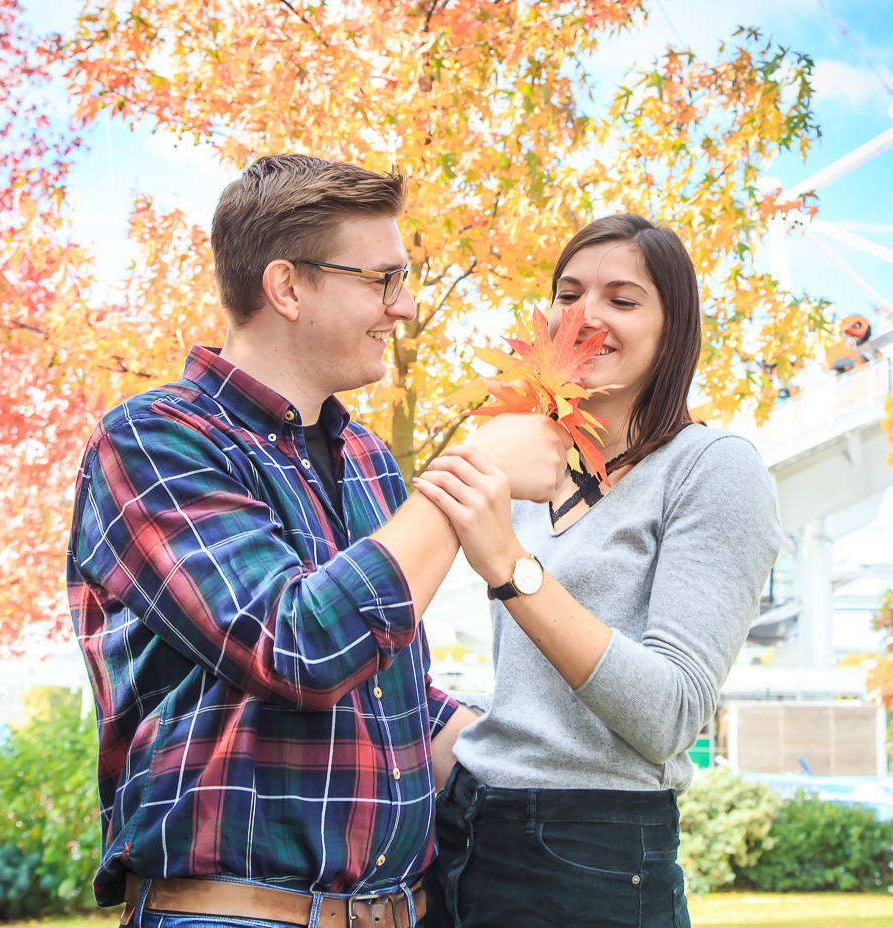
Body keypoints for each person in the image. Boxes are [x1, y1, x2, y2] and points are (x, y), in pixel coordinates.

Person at [67, 155, 567, 927]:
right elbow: (295, 646)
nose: (403, 307)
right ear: (288, 287)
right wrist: (476, 470)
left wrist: (555, 754)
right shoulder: (152, 441)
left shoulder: (368, 460)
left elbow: (392, 697)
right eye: (382, 279)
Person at [410, 214, 782, 928]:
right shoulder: (530, 463)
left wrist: (512, 569)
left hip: (591, 855)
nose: (586, 317)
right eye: (568, 293)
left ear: (673, 328)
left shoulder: (712, 468)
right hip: (465, 829)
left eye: (622, 298)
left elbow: (671, 713)